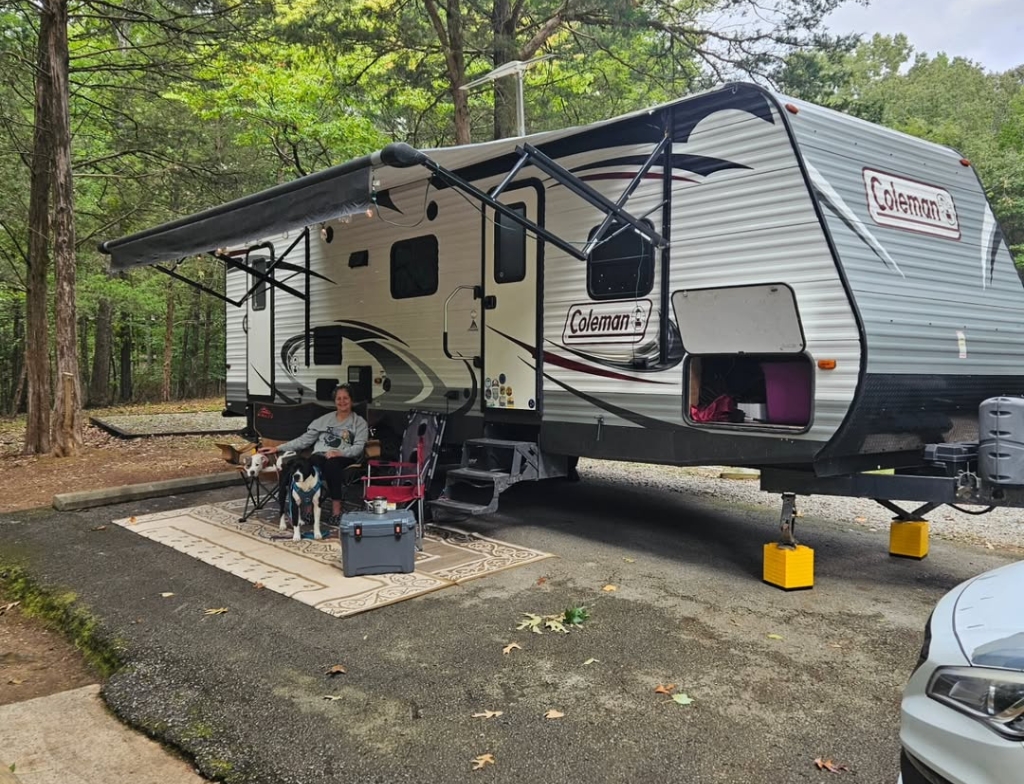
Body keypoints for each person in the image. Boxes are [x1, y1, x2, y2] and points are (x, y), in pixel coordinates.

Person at [260, 383, 368, 524]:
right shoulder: (324, 420)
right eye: (338, 398)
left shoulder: (358, 422)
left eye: (345, 398)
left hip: (344, 457)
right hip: (320, 455)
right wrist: (279, 448)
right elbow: (305, 440)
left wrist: (339, 453)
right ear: (334, 401)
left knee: (332, 465)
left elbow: (359, 447)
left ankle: (336, 510)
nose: (342, 401)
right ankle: (308, 508)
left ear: (351, 400)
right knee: (308, 464)